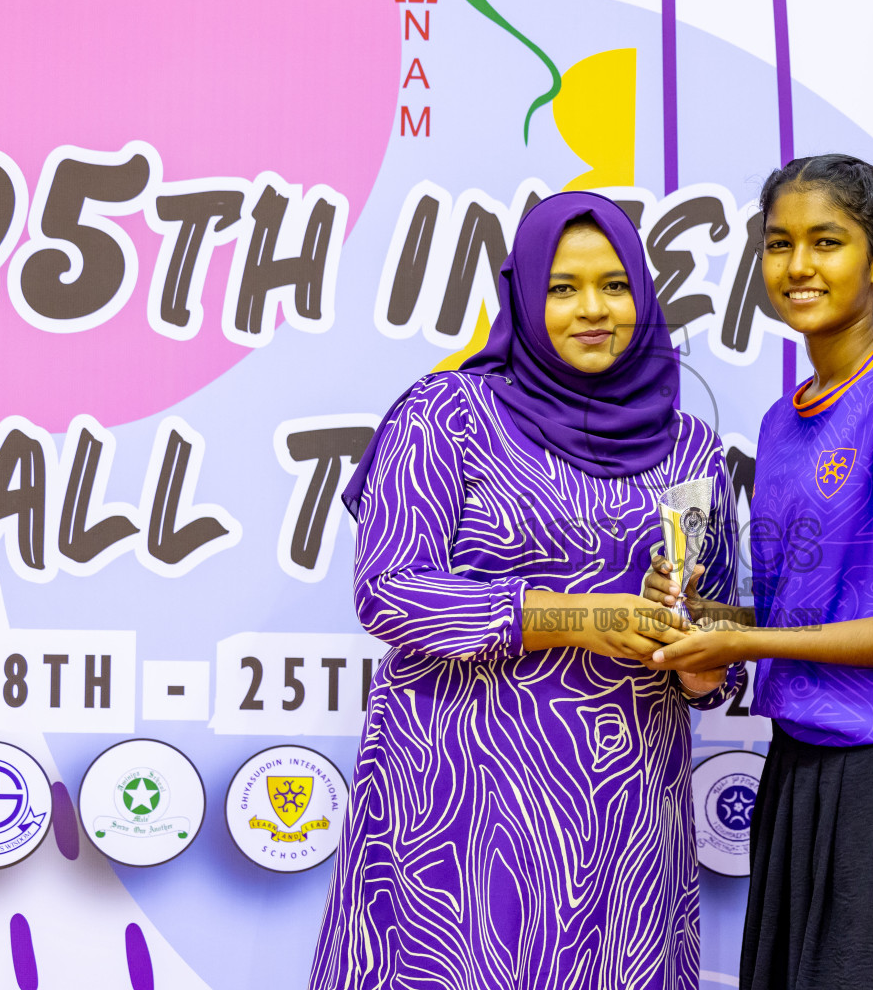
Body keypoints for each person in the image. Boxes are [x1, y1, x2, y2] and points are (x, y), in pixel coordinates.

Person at [312, 191, 743, 990]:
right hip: (458, 800)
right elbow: (388, 592)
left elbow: (714, 641)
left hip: (624, 809)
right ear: (522, 296)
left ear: (644, 299)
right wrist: (574, 617)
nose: (593, 309)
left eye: (615, 286)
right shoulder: (447, 415)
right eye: (562, 287)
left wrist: (694, 650)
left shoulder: (690, 450)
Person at [645, 154, 873, 990]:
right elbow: (816, 605)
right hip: (802, 775)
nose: (799, 266)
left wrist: (753, 639)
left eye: (828, 241)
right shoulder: (783, 424)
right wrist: (706, 623)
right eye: (779, 244)